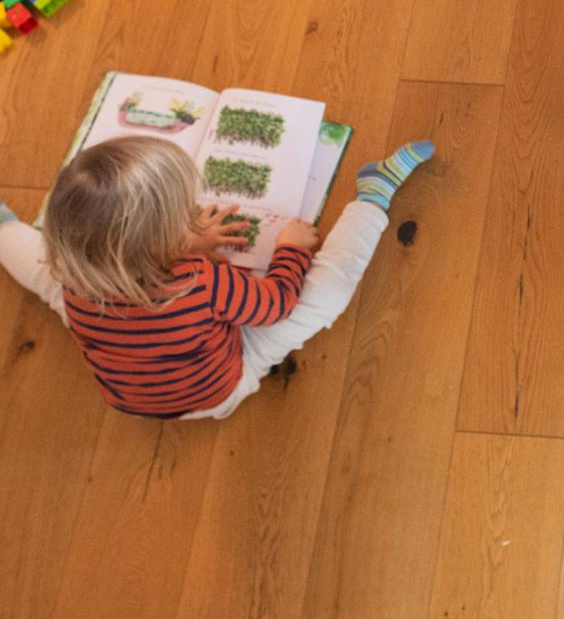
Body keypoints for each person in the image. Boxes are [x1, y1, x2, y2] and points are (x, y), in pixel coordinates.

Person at [0, 136, 434, 420]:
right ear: (161, 244)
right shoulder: (199, 282)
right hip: (217, 393)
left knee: (44, 275)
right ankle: (373, 196)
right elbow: (276, 303)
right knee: (325, 295)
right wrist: (290, 250)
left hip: (126, 399)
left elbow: (134, 265)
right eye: (183, 218)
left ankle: (4, 230)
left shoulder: (73, 277)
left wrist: (184, 244)